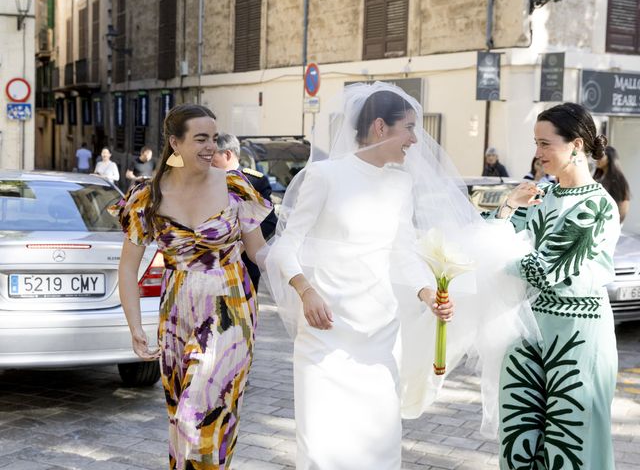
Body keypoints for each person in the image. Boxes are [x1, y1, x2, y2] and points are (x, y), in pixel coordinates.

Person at [264, 82, 537, 469]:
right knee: (323, 444)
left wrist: (428, 293)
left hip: (379, 334)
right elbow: (286, 247)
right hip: (326, 332)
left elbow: (403, 249)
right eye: (408, 128)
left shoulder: (400, 182)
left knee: (378, 445)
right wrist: (305, 291)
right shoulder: (325, 176)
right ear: (380, 127)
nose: (415, 139)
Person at [111, 104, 272, 469]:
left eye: (213, 139)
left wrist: (300, 277)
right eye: (201, 138)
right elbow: (127, 268)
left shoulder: (235, 186)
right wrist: (135, 326)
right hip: (176, 312)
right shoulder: (146, 197)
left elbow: (259, 251)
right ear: (175, 143)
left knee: (197, 413)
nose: (210, 147)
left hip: (230, 306)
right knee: (180, 416)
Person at [491, 103, 620, 470]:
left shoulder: (599, 206)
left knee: (571, 445)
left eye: (545, 144)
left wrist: (498, 249)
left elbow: (553, 271)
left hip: (577, 339)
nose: (537, 154)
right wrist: (506, 209)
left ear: (576, 145)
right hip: (528, 336)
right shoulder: (538, 197)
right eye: (536, 143)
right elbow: (488, 234)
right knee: (518, 442)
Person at [212, 132, 278, 289]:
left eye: (212, 154)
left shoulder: (254, 181)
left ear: (227, 154)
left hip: (245, 261)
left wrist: (242, 243)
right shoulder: (207, 181)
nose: (208, 159)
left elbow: (268, 221)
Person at [594, 145, 631, 222]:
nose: (597, 159)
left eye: (601, 156)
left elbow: (623, 205)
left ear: (610, 158)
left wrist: (616, 224)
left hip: (609, 223)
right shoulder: (597, 177)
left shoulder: (618, 180)